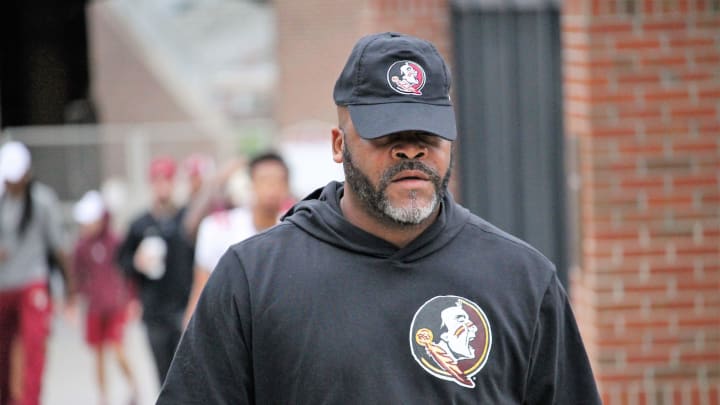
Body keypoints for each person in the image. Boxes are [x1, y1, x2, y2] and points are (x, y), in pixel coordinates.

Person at [157, 32, 601, 403]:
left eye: (428, 135)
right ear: (338, 144)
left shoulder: (521, 280)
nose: (411, 150)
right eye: (386, 134)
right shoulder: (253, 279)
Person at [0, 141, 76, 405]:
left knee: (34, 345)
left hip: (32, 281)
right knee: (3, 350)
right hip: (3, 285)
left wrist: (70, 292)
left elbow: (59, 249)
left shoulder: (42, 202)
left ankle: (30, 401)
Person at [183, 152, 291, 325]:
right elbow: (201, 287)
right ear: (251, 184)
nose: (272, 187)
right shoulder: (219, 228)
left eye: (279, 180)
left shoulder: (296, 230)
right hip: (230, 327)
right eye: (265, 179)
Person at [117, 156, 194, 384]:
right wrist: (137, 263)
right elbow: (122, 261)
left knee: (187, 373)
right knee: (163, 375)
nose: (162, 186)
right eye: (157, 180)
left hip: (184, 307)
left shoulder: (187, 219)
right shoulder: (140, 224)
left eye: (167, 180)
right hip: (154, 310)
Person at [72, 190, 137, 405]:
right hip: (94, 308)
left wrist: (131, 298)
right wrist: (75, 299)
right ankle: (103, 398)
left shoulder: (115, 242)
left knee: (118, 349)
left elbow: (127, 271)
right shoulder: (81, 247)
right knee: (98, 356)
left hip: (115, 305)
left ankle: (133, 386)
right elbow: (77, 275)